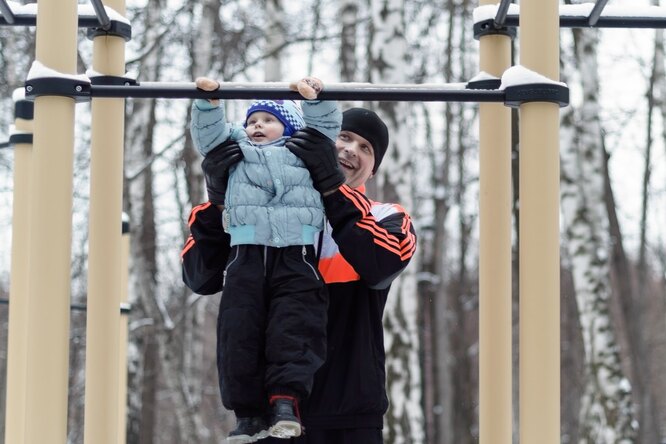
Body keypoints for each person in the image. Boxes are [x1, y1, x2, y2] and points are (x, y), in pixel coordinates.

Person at [182, 106, 417, 444]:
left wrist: (333, 190)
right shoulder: (253, 210)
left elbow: (381, 266)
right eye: (345, 137)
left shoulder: (384, 216)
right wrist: (219, 200)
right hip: (269, 418)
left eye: (366, 148)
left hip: (347, 415)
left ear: (373, 169)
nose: (351, 150)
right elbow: (199, 278)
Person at [188, 76, 342, 443]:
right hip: (246, 254)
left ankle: (285, 402)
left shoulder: (302, 150)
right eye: (252, 120)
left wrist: (314, 98)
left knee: (294, 327)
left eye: (267, 120)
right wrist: (209, 104)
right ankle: (247, 415)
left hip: (296, 254)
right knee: (239, 330)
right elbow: (208, 137)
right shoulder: (237, 150)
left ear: (289, 126)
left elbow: (325, 127)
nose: (257, 126)